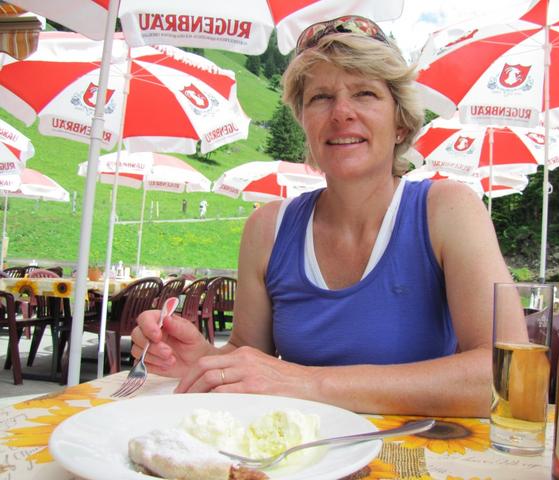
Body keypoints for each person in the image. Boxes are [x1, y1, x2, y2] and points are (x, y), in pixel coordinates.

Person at [132, 16, 515, 417]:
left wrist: (308, 383)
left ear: (400, 123)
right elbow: (250, 356)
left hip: (412, 451)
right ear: (304, 121)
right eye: (320, 98)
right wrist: (201, 359)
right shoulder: (267, 229)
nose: (341, 112)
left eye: (365, 93)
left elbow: (504, 375)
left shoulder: (448, 210)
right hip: (301, 449)